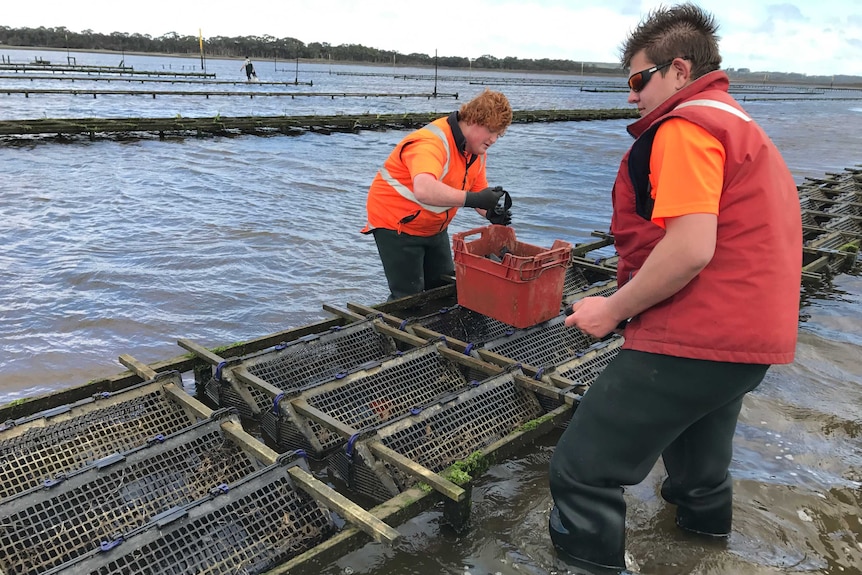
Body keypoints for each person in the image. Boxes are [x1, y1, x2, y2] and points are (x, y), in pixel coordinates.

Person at [547, 3, 802, 573]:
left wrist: (610, 308)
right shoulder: (740, 124)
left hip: (693, 333)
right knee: (699, 475)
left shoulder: (687, 128)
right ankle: (704, 555)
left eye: (639, 80)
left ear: (680, 71)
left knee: (581, 472)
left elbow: (690, 249)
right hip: (746, 341)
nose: (632, 96)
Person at [361, 88, 513, 300]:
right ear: (473, 120)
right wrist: (475, 200)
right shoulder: (431, 142)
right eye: (492, 130)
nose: (494, 139)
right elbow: (424, 189)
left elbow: (477, 191)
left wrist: (489, 213)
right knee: (408, 298)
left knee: (444, 289)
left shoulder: (476, 151)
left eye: (499, 133)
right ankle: (390, 329)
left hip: (434, 225)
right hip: (396, 223)